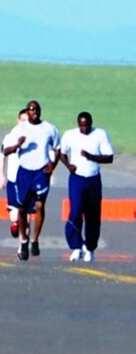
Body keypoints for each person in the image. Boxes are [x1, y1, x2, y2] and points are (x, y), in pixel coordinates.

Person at [2, 100, 61, 260]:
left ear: (40, 111)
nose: (34, 112)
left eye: (36, 109)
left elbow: (58, 149)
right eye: (31, 109)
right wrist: (17, 146)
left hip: (41, 172)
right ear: (27, 112)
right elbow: (5, 150)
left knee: (40, 205)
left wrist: (53, 165)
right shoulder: (20, 129)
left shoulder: (49, 128)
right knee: (21, 208)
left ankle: (34, 240)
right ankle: (23, 241)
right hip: (24, 172)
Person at [60, 111, 115, 263]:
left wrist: (91, 157)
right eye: (82, 125)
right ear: (78, 124)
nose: (84, 128)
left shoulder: (100, 134)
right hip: (77, 179)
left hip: (93, 179)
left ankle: (90, 248)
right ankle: (76, 246)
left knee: (92, 215)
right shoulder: (70, 135)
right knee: (76, 211)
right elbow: (61, 153)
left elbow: (109, 158)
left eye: (87, 125)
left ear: (91, 123)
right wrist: (68, 165)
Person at [1, 108, 30, 240]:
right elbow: (2, 156)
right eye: (23, 120)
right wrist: (1, 175)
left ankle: (23, 246)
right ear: (18, 120)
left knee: (27, 212)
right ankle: (15, 223)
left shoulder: (34, 137)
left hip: (29, 179)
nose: (25, 123)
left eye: (28, 120)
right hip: (13, 178)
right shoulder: (10, 137)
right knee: (15, 213)